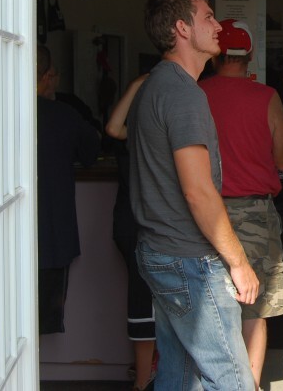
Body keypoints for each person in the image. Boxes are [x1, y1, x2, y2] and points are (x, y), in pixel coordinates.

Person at [127, 0, 258, 391]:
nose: (218, 25)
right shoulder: (182, 94)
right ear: (182, 28)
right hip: (188, 261)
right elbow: (198, 192)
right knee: (233, 381)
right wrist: (238, 263)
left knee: (179, 377)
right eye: (207, 17)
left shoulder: (157, 85)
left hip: (163, 252)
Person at [199, 19, 283, 388]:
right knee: (255, 308)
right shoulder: (267, 97)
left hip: (204, 214)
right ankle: (250, 384)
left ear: (216, 54)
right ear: (250, 55)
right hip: (254, 212)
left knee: (208, 306)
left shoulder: (196, 93)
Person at [36, 44, 100, 335]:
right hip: (52, 238)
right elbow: (91, 153)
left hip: (1, 241)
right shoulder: (64, 115)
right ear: (48, 76)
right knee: (41, 322)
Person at [105, 74, 157, 391]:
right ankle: (142, 378)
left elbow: (113, 128)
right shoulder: (143, 134)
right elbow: (112, 128)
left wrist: (136, 84)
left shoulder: (140, 134)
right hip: (141, 226)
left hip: (131, 223)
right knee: (146, 301)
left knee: (148, 300)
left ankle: (147, 369)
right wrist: (139, 84)